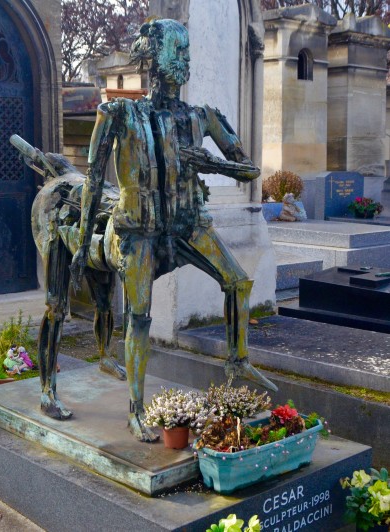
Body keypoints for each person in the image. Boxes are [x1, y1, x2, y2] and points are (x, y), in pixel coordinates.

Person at [70, 18, 277, 442]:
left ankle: (237, 361)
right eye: (175, 51)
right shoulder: (120, 113)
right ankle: (135, 408)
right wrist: (87, 231)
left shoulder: (201, 117)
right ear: (151, 57)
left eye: (186, 51)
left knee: (236, 280)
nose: (184, 60)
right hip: (140, 228)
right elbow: (92, 178)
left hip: (186, 223)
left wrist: (208, 162)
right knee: (140, 316)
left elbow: (250, 168)